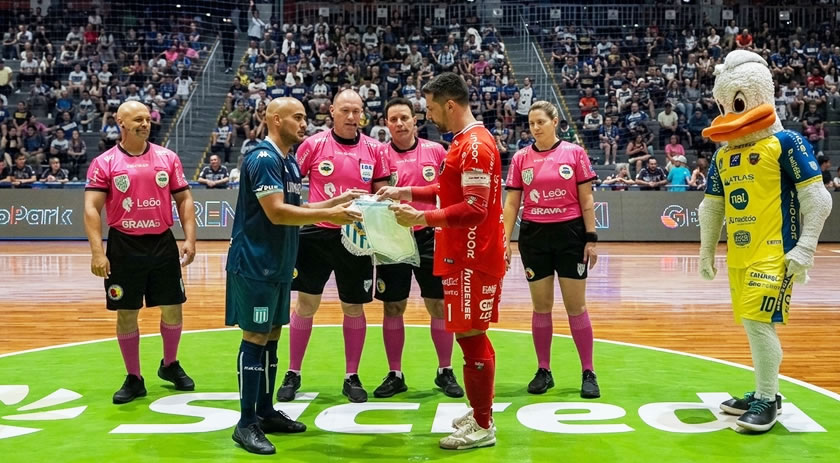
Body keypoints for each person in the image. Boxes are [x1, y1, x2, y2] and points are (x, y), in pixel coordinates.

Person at [225, 97, 364, 455]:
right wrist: (333, 217)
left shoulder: (288, 162)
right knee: (255, 336)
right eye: (298, 117)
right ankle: (245, 423)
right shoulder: (264, 158)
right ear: (276, 119)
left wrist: (336, 202)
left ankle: (266, 411)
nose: (305, 124)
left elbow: (298, 207)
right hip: (255, 264)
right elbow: (276, 213)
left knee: (271, 334)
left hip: (278, 263)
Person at [378, 72, 505, 450]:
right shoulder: (465, 142)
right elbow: (449, 188)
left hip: (471, 256)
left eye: (431, 108)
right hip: (462, 253)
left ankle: (482, 425)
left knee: (472, 337)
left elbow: (475, 208)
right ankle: (481, 411)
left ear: (450, 105)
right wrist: (409, 191)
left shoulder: (475, 146)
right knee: (471, 337)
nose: (429, 115)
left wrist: (422, 218)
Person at [275, 89, 390, 404]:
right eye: (345, 111)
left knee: (353, 306)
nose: (352, 117)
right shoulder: (312, 145)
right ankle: (293, 372)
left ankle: (351, 376)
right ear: (332, 112)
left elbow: (382, 194)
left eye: (357, 111)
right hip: (314, 234)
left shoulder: (376, 150)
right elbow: (292, 191)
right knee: (306, 305)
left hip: (356, 237)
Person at [83, 101, 197, 405]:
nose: (145, 124)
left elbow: (185, 199)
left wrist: (190, 238)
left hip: (162, 242)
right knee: (127, 313)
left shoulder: (167, 158)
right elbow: (92, 209)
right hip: (123, 246)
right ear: (121, 122)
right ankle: (134, 377)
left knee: (173, 307)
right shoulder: (104, 163)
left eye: (147, 119)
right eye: (137, 119)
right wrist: (97, 252)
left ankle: (170, 365)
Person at [502, 100, 601, 398]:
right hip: (535, 236)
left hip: (570, 235)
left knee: (576, 307)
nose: (535, 128)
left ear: (555, 121)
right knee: (541, 306)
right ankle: (544, 370)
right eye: (531, 124)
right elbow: (512, 203)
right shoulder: (521, 158)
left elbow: (586, 200)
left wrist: (591, 239)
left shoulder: (574, 153)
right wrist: (504, 241)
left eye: (540, 122)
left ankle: (588, 372)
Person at [371, 97, 464, 399]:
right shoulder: (379, 155)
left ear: (415, 120)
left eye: (404, 118)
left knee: (437, 304)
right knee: (393, 306)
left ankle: (445, 370)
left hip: (429, 236)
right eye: (393, 119)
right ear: (386, 123)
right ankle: (395, 373)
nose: (399, 124)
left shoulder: (436, 151)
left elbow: (449, 191)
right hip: (392, 239)